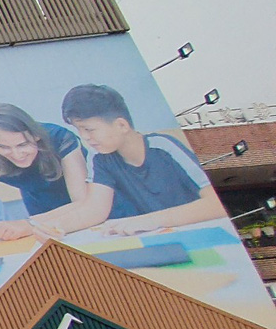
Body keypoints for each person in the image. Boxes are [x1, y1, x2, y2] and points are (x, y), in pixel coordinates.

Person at [62, 84, 226, 235]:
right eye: (79, 130)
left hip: (205, 231)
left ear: (122, 125)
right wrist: (52, 228)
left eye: (89, 129)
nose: (84, 137)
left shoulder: (163, 147)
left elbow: (216, 203)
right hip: (162, 237)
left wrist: (152, 220)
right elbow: (94, 210)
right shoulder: (99, 157)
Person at [0, 103, 112, 229]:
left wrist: (30, 224)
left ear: (36, 135)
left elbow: (83, 201)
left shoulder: (59, 139)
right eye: (3, 147)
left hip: (86, 212)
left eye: (23, 144)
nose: (17, 154)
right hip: (37, 207)